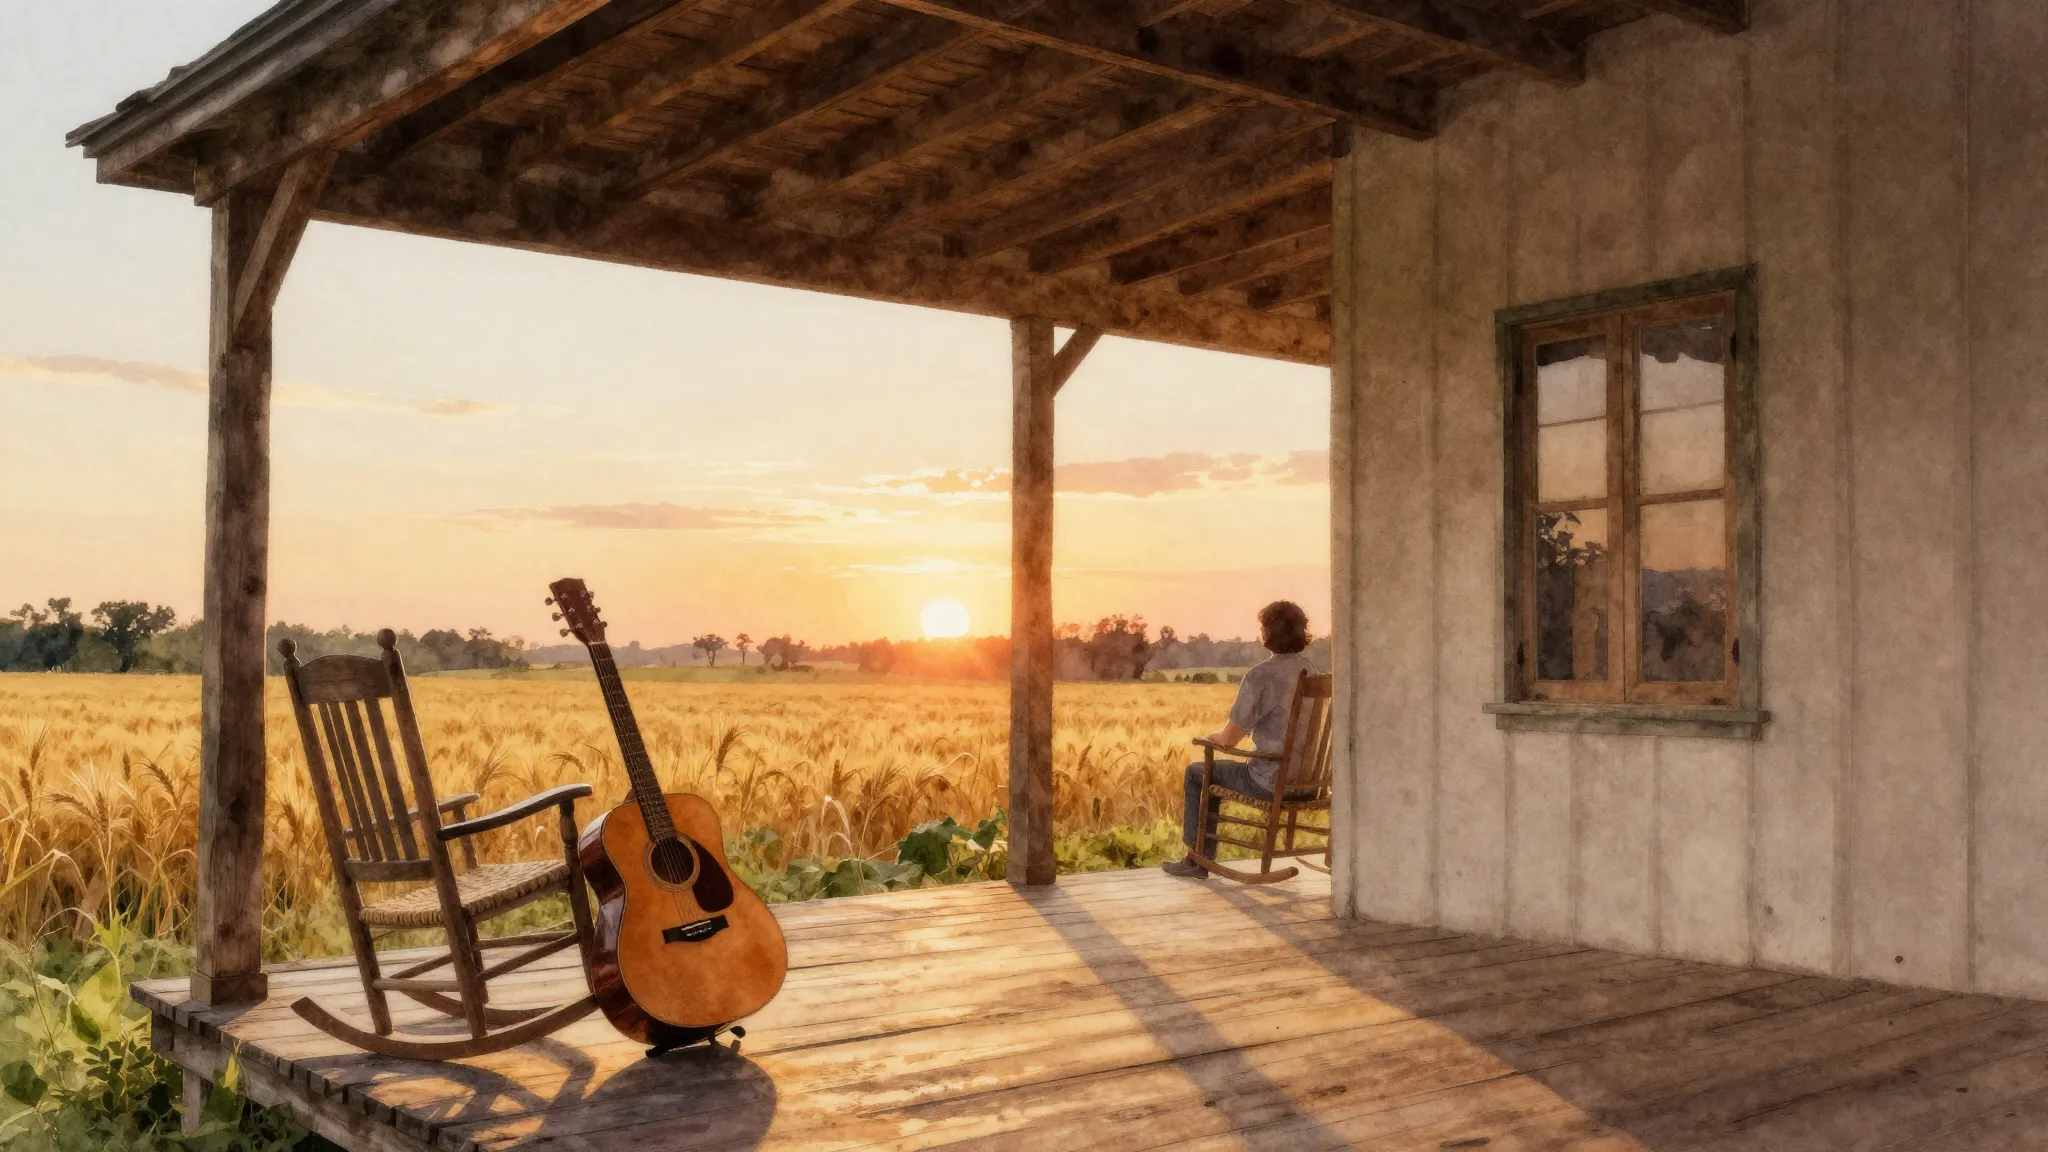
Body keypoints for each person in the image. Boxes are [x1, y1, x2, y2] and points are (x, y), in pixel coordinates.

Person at [1163, 601, 1316, 879]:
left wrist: (1214, 738)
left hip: (1270, 781)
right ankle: (1200, 859)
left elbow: (1229, 740)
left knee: (1198, 773)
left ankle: (1198, 859)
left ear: (1267, 633)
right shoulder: (1313, 672)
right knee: (1208, 771)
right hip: (1308, 783)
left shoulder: (1260, 676)